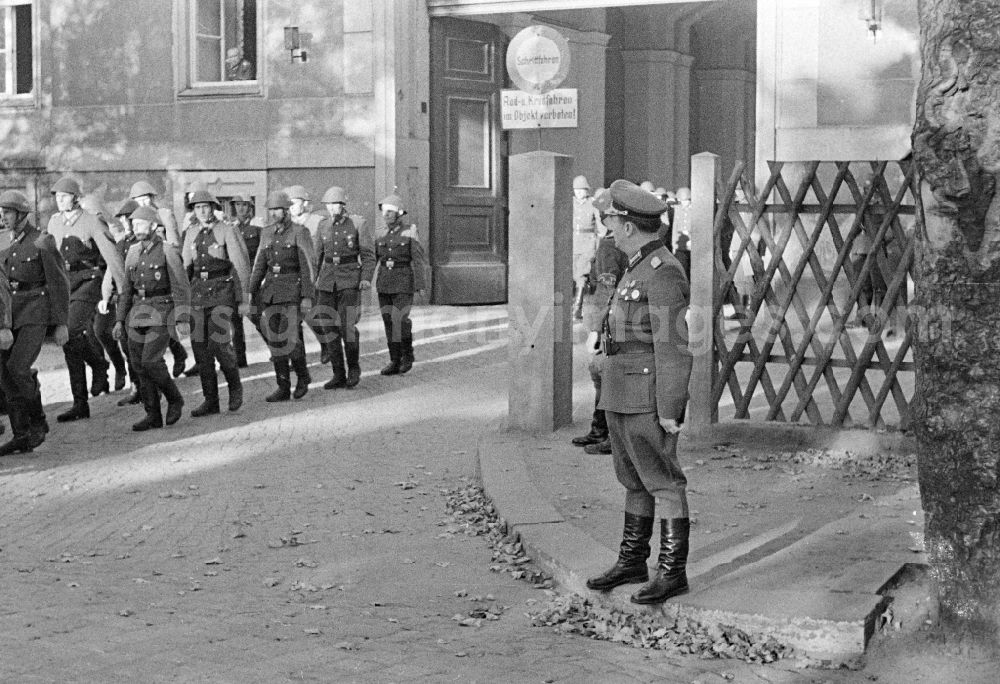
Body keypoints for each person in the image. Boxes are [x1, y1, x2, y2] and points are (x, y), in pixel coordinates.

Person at [585, 179, 693, 606]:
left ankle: (672, 571)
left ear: (629, 225)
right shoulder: (635, 265)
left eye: (611, 219)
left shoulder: (663, 271)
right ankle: (633, 560)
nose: (608, 227)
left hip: (645, 393)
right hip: (619, 387)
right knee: (632, 477)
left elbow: (674, 346)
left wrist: (670, 408)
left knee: (662, 480)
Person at [47, 176, 127, 423]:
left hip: (88, 282)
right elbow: (49, 257)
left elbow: (111, 255)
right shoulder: (54, 222)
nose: (60, 201)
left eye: (64, 196)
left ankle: (99, 368)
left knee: (70, 331)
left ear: (75, 198)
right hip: (65, 284)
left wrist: (123, 290)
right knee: (69, 340)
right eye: (57, 197)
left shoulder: (91, 221)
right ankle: (81, 401)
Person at [0, 190, 70, 455]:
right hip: (10, 313)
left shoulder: (42, 241)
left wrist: (61, 322)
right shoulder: (3, 241)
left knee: (18, 367)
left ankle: (38, 420)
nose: (3, 217)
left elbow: (59, 283)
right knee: (5, 374)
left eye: (7, 212)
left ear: (21, 214)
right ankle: (21, 434)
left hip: (35, 312)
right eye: (2, 212)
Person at [114, 206, 189, 431]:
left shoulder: (168, 251)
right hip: (137, 313)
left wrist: (183, 318)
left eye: (140, 224)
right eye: (133, 224)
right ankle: (153, 414)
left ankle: (174, 398)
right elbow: (126, 289)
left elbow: (181, 286)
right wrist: (119, 320)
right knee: (138, 364)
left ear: (153, 226)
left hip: (162, 310)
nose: (135, 228)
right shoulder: (133, 252)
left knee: (150, 361)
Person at [181, 190, 251, 415]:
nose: (202, 211)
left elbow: (240, 266)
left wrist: (243, 300)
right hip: (198, 295)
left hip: (222, 292)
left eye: (206, 206)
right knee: (200, 349)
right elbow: (184, 269)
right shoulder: (190, 233)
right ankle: (210, 399)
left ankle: (235, 388)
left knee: (220, 345)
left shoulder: (227, 230)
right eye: (197, 207)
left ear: (213, 207)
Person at [572, 189, 629, 455]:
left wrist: (597, 330)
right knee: (603, 375)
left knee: (602, 375)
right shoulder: (618, 243)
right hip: (615, 317)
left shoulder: (608, 246)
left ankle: (604, 432)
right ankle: (600, 429)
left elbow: (608, 287)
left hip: (606, 318)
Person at [249, 191, 316, 402]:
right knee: (275, 341)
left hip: (292, 292)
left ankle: (303, 377)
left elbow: (308, 266)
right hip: (270, 293)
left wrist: (307, 295)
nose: (274, 214)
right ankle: (283, 386)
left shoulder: (299, 232)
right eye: (271, 210)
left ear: (286, 211)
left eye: (277, 210)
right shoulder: (266, 233)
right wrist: (249, 292)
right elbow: (259, 264)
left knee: (290, 339)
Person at [313, 186, 375, 389]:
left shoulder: (358, 224)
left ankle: (354, 368)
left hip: (349, 280)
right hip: (327, 282)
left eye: (336, 204)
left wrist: (365, 278)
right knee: (328, 328)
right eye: (329, 205)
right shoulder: (322, 226)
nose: (332, 209)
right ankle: (338, 374)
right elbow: (316, 259)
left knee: (347, 327)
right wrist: (311, 282)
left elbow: (367, 255)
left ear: (343, 205)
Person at [130, 180, 190, 377]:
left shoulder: (163, 214)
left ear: (153, 198)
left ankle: (176, 355)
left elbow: (173, 242)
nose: (143, 203)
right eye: (139, 200)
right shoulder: (136, 218)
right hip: (144, 268)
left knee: (163, 321)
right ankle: (171, 357)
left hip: (164, 266)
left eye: (146, 198)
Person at [80, 196, 128, 394]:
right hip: (84, 288)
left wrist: (112, 291)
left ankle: (119, 366)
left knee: (100, 331)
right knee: (88, 335)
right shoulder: (80, 233)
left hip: (104, 287)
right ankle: (101, 376)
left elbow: (114, 263)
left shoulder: (109, 232)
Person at [374, 193, 426, 375]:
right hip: (384, 282)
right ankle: (394, 360)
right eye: (384, 212)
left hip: (403, 281)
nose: (386, 215)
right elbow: (373, 259)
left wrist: (420, 285)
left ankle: (407, 355)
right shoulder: (380, 233)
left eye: (390, 212)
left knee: (400, 319)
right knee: (388, 320)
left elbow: (418, 260)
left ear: (399, 214)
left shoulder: (410, 231)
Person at [113, 199, 143, 407]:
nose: (126, 222)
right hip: (124, 299)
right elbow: (113, 270)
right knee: (126, 344)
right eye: (123, 219)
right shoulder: (121, 244)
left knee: (144, 346)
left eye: (129, 218)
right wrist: (108, 294)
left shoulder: (143, 242)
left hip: (143, 300)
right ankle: (136, 386)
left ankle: (151, 386)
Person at [229, 194, 264, 368]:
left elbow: (262, 255)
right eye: (238, 205)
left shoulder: (257, 227)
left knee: (257, 317)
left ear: (250, 207)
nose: (241, 208)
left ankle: (279, 350)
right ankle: (239, 358)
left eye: (244, 205)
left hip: (253, 279)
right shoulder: (231, 228)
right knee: (235, 320)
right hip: (235, 280)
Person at [572, 175, 600, 320]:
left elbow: (601, 227)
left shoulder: (592, 204)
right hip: (574, 242)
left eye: (582, 190)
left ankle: (578, 307)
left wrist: (598, 244)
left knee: (581, 274)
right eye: (576, 190)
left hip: (588, 243)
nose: (579, 193)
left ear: (587, 191)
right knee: (575, 273)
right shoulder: (570, 203)